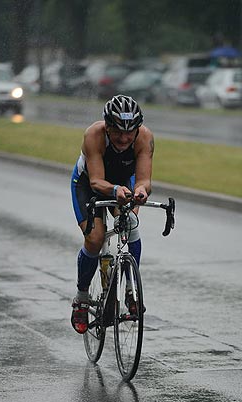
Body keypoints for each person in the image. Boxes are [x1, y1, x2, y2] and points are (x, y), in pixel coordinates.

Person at [70, 94, 154, 334]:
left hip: (122, 184)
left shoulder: (145, 138)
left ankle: (131, 291)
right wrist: (115, 189)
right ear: (107, 126)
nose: (125, 138)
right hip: (89, 185)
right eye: (117, 132)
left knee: (131, 224)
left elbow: (145, 179)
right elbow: (96, 181)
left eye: (130, 132)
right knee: (95, 239)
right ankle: (82, 298)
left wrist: (140, 190)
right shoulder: (93, 135)